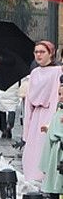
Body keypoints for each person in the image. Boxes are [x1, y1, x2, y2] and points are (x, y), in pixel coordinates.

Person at [23, 42, 62, 182]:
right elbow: (29, 100)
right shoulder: (34, 72)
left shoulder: (58, 71)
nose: (38, 55)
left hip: (49, 113)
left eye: (42, 52)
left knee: (45, 147)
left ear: (50, 53)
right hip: (36, 116)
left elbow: (56, 95)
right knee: (32, 149)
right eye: (36, 52)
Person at [39, 81, 63, 199]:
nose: (61, 97)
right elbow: (55, 126)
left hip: (61, 150)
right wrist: (48, 128)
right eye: (59, 94)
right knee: (54, 179)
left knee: (60, 180)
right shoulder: (59, 110)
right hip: (56, 151)